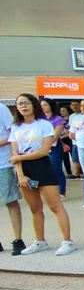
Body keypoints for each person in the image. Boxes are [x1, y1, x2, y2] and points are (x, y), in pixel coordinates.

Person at [9, 94, 76, 257]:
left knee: (55, 206)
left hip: (42, 166)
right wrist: (21, 174)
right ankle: (40, 241)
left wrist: (18, 157)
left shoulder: (44, 124)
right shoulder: (16, 127)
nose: (23, 106)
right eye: (20, 104)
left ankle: (67, 241)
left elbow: (44, 151)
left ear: (33, 105)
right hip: (23, 170)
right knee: (35, 208)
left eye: (26, 103)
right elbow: (14, 153)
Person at [0, 102, 25, 255]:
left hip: (4, 164)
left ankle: (18, 239)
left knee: (10, 201)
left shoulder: (1, 108)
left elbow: (12, 134)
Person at [39, 99, 68, 200]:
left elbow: (56, 135)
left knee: (56, 169)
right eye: (41, 105)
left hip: (54, 147)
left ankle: (61, 192)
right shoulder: (40, 119)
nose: (43, 107)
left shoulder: (57, 119)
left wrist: (46, 144)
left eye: (45, 105)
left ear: (51, 106)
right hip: (40, 146)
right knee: (45, 170)